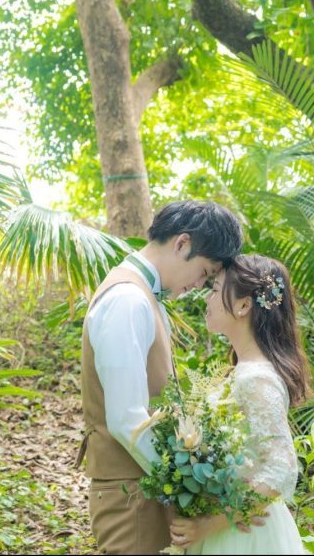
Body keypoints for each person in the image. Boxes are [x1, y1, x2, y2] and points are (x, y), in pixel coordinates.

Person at [76, 200, 243, 555]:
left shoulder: (144, 298)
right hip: (132, 497)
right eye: (204, 271)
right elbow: (126, 420)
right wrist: (190, 486)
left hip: (145, 488)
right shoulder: (128, 300)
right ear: (182, 243)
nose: (199, 284)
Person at [170, 254, 313, 555]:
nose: (206, 298)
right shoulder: (243, 370)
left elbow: (281, 468)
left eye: (214, 289)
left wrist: (212, 524)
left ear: (244, 305)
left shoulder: (256, 378)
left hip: (243, 537)